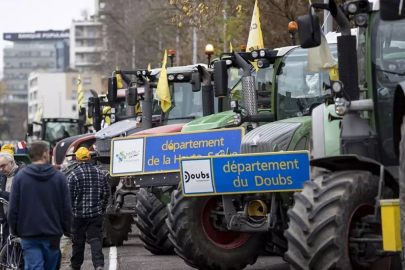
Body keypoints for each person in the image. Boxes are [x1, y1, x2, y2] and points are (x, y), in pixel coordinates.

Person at [7, 141, 72, 270]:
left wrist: (15, 230)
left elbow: (13, 208)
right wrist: (66, 229)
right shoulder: (59, 177)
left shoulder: (20, 178)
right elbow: (66, 208)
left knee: (34, 266)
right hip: (52, 234)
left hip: (29, 234)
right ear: (44, 154)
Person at [67, 147, 110, 270]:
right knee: (95, 239)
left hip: (78, 216)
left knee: (78, 242)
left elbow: (69, 197)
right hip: (95, 214)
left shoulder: (73, 175)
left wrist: (71, 213)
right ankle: (99, 265)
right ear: (90, 158)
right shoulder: (99, 173)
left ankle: (75, 266)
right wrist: (101, 208)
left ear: (77, 159)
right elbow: (106, 193)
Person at [0, 148, 26, 242]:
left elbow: (20, 198)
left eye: (3, 166)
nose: (1, 169)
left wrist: (2, 193)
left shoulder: (23, 175)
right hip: (7, 219)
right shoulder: (4, 176)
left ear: (11, 162)